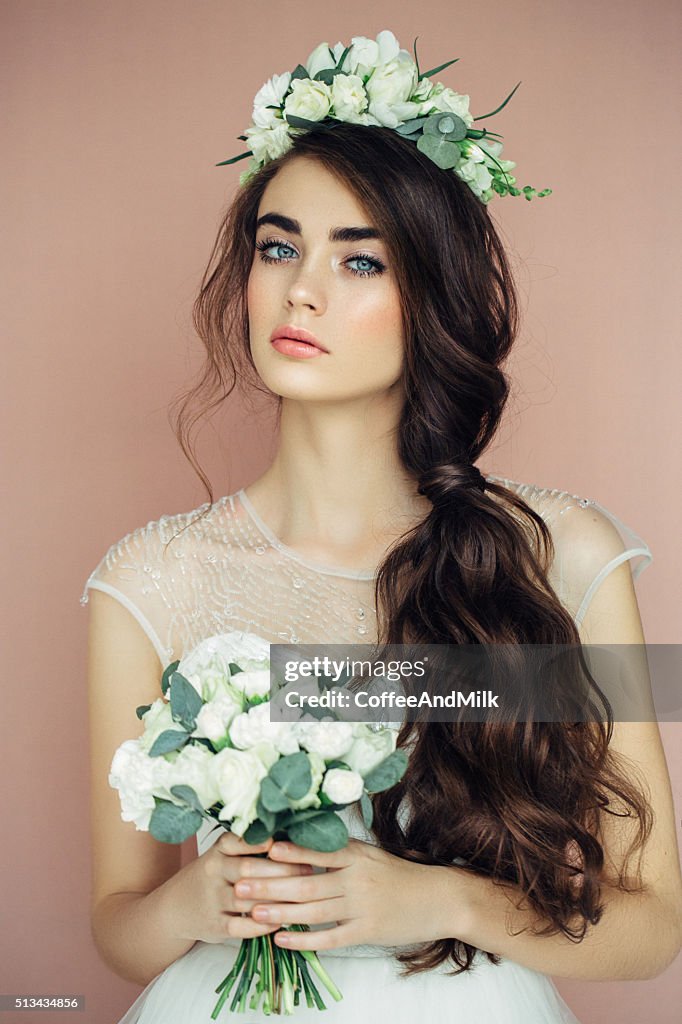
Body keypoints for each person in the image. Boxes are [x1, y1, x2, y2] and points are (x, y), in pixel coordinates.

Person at [81, 29, 682, 1024]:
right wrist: (197, 898)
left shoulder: (566, 555)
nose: (299, 289)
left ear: (431, 300)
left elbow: (656, 922)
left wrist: (434, 897)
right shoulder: (150, 581)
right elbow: (114, 921)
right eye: (279, 247)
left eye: (360, 262)